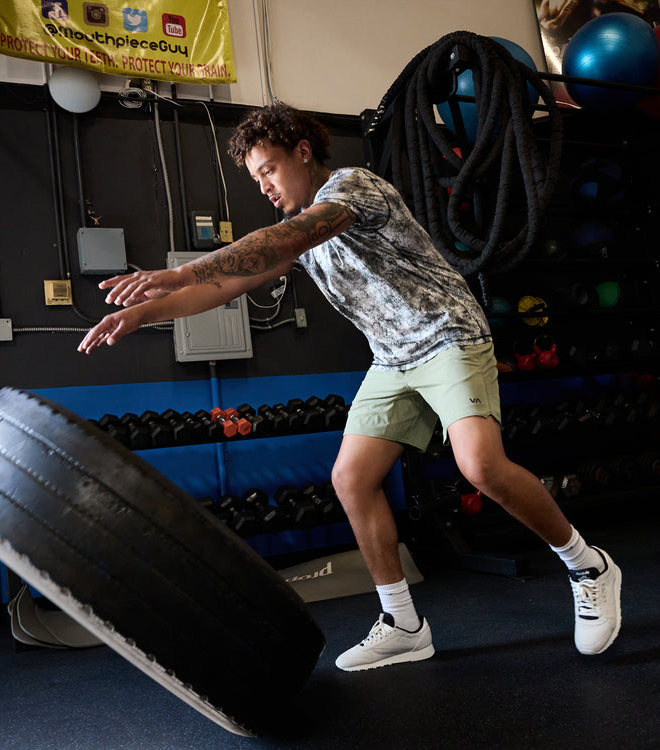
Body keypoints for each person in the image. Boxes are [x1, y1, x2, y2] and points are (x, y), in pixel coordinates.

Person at [77, 102, 623, 671]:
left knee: (480, 467)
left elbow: (281, 240)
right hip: (391, 359)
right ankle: (403, 623)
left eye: (268, 169)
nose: (263, 185)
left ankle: (589, 566)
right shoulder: (299, 233)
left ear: (303, 152)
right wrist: (145, 314)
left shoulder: (351, 188)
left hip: (447, 336)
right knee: (351, 479)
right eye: (255, 177)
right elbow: (229, 283)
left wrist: (183, 270)